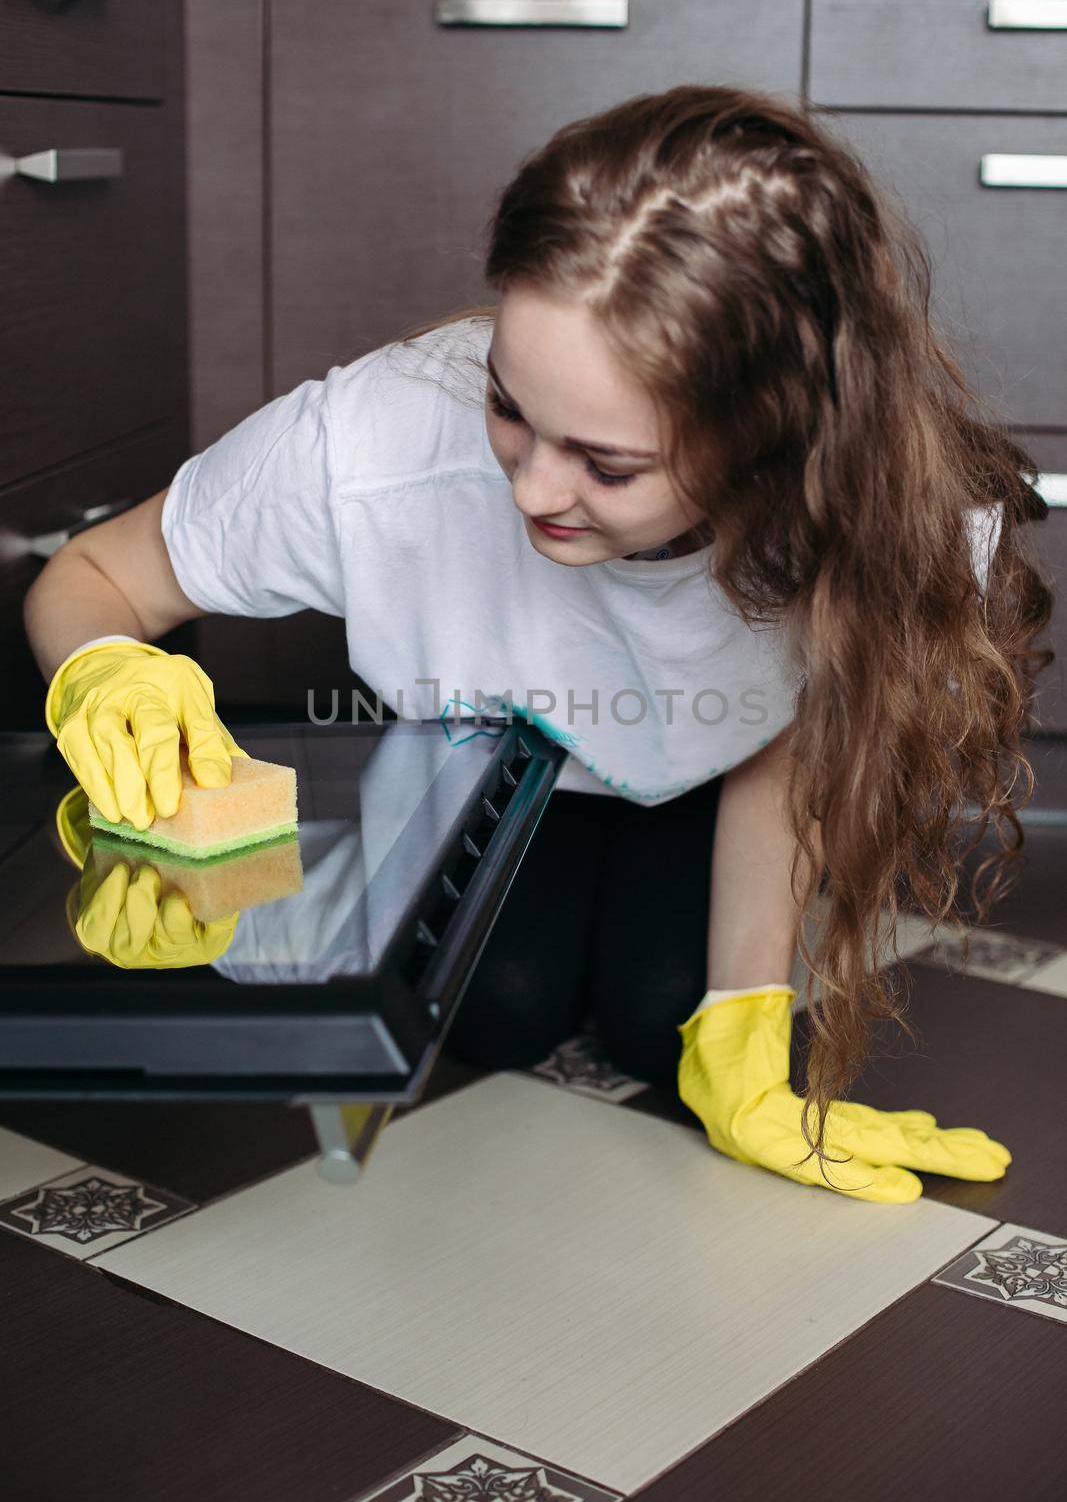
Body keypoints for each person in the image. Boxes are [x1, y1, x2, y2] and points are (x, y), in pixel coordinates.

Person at [25, 84, 1053, 1205]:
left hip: (718, 772)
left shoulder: (880, 508)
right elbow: (91, 575)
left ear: (772, 438)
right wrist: (101, 669)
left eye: (606, 465)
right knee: (498, 1006)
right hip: (496, 755)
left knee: (665, 1017)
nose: (530, 487)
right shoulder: (376, 439)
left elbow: (795, 741)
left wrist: (743, 1023)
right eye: (508, 405)